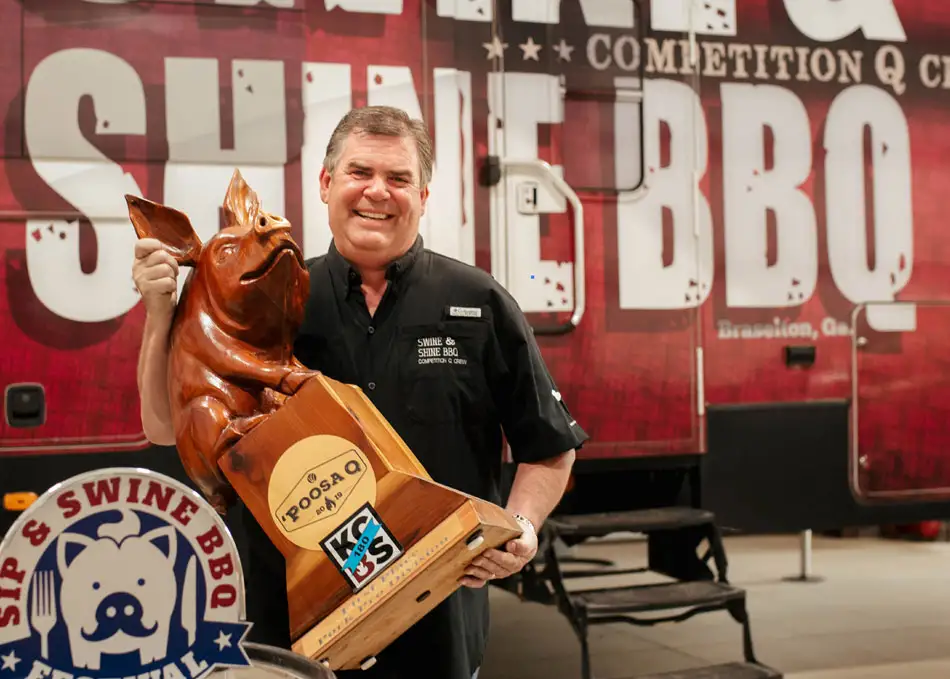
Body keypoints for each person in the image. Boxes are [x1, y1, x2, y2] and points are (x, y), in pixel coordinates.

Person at [132, 105, 588, 679]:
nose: (378, 191)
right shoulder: (272, 295)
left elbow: (548, 445)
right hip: (296, 630)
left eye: (398, 179)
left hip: (437, 626)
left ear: (423, 195)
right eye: (359, 173)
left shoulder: (477, 302)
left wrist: (521, 528)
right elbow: (165, 427)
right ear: (326, 185)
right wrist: (159, 314)